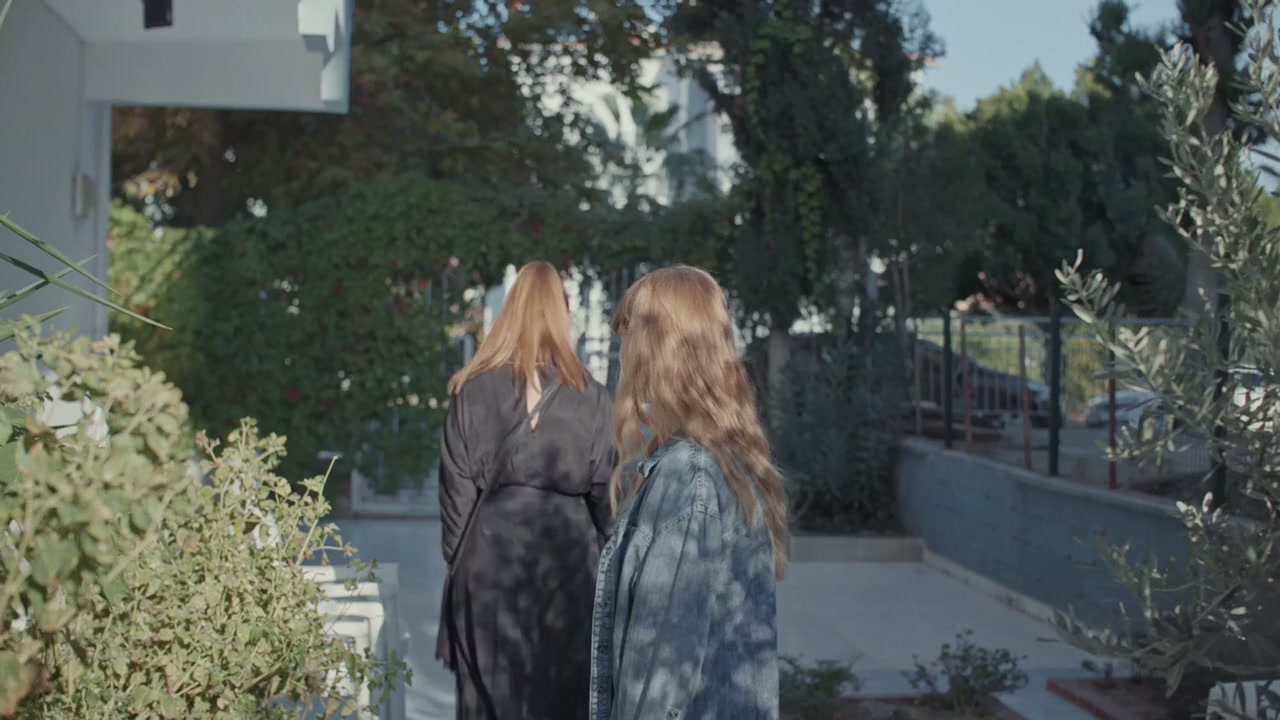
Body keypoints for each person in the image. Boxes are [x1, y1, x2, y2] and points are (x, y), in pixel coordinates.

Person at [589, 265, 789, 720]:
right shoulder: (723, 461)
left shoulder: (689, 476)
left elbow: (662, 677)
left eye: (631, 336)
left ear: (660, 350)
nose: (623, 353)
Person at [436, 261, 615, 720]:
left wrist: (463, 567)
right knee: (564, 702)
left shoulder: (471, 391)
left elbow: (456, 501)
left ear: (510, 312)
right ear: (563, 315)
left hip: (488, 564)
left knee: (488, 703)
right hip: (569, 566)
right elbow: (609, 502)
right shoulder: (595, 398)